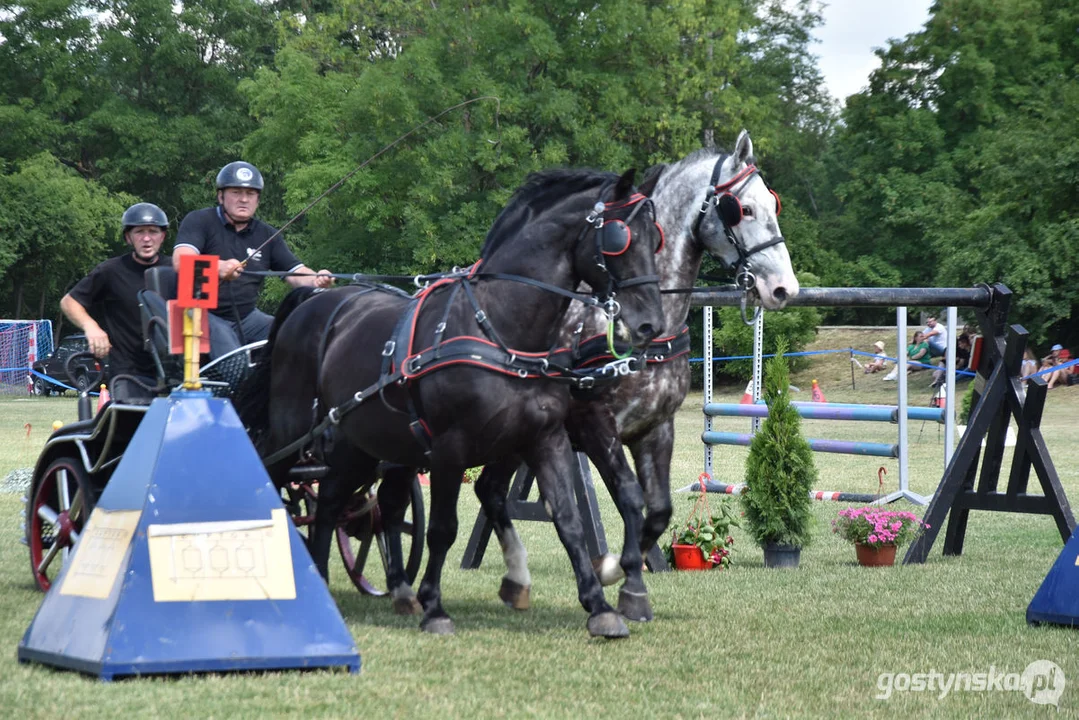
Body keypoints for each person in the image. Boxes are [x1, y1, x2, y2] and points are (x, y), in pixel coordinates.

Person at [173, 161, 334, 358]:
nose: (243, 199)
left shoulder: (267, 234)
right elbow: (181, 261)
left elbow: (296, 273)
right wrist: (218, 267)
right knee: (235, 363)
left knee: (295, 342)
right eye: (236, 193)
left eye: (250, 194)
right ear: (220, 196)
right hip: (204, 315)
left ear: (258, 200)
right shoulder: (200, 221)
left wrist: (317, 279)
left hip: (248, 317)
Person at [59, 203, 169, 404]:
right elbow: (69, 301)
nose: (146, 238)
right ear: (128, 237)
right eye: (139, 232)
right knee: (130, 427)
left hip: (175, 372)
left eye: (153, 232)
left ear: (162, 236)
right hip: (129, 373)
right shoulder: (111, 271)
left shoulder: (177, 270)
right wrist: (91, 327)